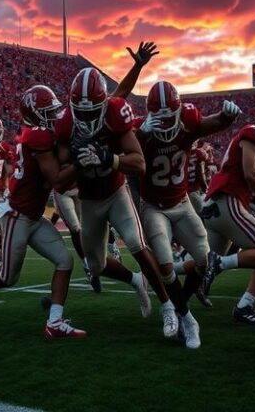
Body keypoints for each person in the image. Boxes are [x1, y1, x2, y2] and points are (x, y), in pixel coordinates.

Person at [55, 66, 179, 340]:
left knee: (136, 243)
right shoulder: (65, 123)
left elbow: (139, 163)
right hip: (89, 200)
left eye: (92, 110)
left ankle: (168, 306)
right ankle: (136, 281)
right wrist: (77, 163)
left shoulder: (115, 111)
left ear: (103, 102)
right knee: (95, 265)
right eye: (82, 111)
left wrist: (108, 158)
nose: (87, 117)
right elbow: (59, 182)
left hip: (115, 191)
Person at [0, 85, 85, 338]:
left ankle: (55, 322)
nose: (55, 116)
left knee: (65, 261)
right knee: (8, 277)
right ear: (34, 115)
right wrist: (82, 159)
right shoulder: (36, 137)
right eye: (49, 112)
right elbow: (58, 180)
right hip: (18, 216)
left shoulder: (41, 135)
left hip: (35, 216)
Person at [134, 80, 241, 346]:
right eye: (159, 119)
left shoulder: (188, 119)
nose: (166, 123)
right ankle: (187, 317)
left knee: (204, 261)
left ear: (179, 111)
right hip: (153, 206)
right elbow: (123, 150)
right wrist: (139, 135)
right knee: (166, 266)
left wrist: (226, 117)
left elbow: (210, 124)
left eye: (170, 117)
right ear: (149, 115)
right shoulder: (140, 129)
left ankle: (180, 308)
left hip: (181, 203)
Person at [201, 101, 255, 325]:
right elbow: (250, 174)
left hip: (228, 201)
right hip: (228, 199)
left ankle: (157, 277)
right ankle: (221, 266)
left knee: (197, 261)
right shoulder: (254, 133)